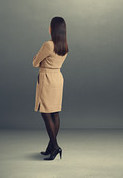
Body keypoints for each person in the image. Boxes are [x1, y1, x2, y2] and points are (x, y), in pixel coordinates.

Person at [33, 17, 68, 161]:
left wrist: (41, 61)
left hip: (47, 78)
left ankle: (55, 146)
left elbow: (35, 62)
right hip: (58, 78)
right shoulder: (64, 45)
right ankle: (50, 146)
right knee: (55, 112)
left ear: (52, 29)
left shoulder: (48, 45)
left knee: (45, 113)